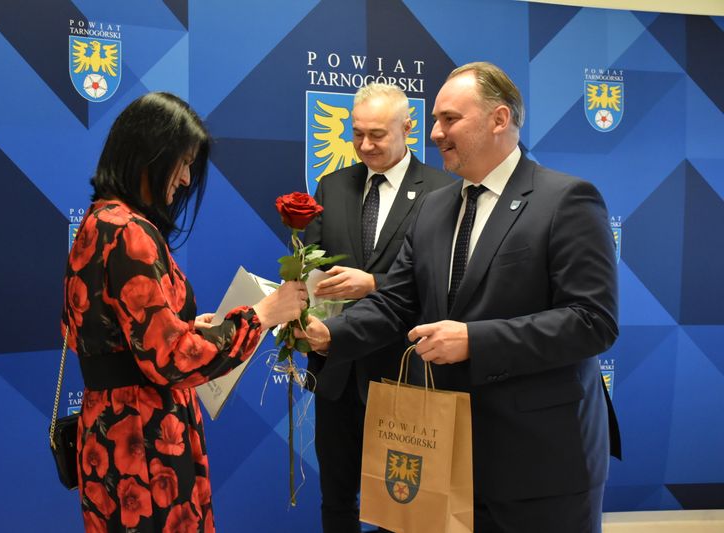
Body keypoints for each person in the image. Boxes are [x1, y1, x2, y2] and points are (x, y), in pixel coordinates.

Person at [301, 62, 621, 533]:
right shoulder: (434, 208)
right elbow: (396, 301)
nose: (435, 133)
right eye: (435, 120)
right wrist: (329, 334)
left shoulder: (566, 200)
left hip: (539, 460)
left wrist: (474, 340)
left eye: (449, 119)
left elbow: (592, 321)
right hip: (445, 455)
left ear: (499, 119)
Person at [61, 92, 307, 532]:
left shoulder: (99, 221)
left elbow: (106, 333)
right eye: (184, 162)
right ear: (151, 153)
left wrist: (184, 326)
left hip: (109, 433)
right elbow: (172, 359)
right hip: (144, 441)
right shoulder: (131, 232)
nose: (188, 178)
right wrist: (262, 314)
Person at [304, 82, 453, 533]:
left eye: (377, 135)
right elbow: (311, 265)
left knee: (403, 507)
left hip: (403, 371)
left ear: (407, 128)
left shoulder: (444, 191)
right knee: (336, 498)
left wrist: (375, 284)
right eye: (357, 134)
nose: (365, 145)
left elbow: (444, 283)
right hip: (337, 372)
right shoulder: (332, 186)